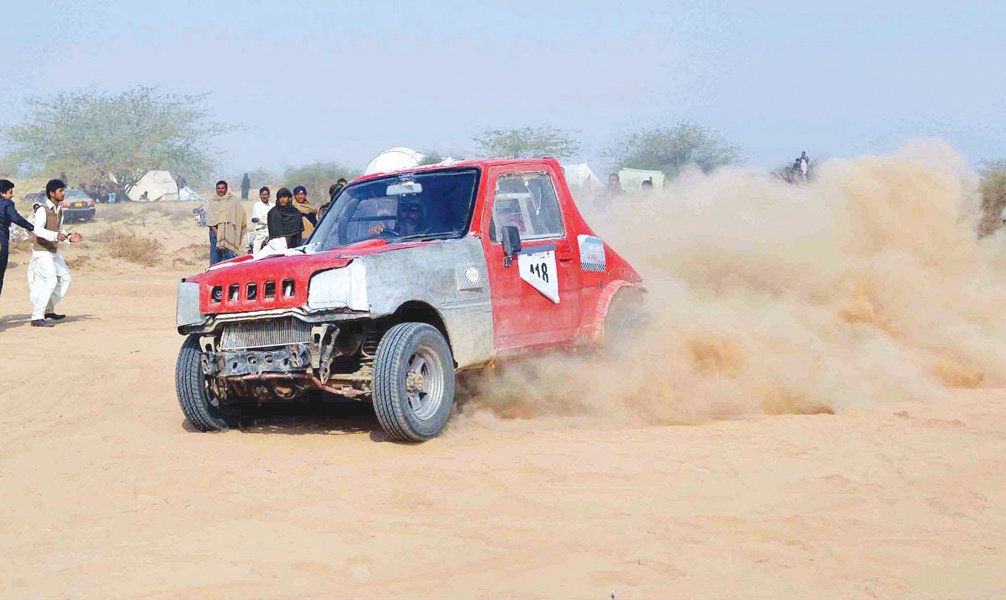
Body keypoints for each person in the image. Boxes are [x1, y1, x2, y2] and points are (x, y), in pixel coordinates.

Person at [28, 179, 82, 328]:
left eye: (63, 190)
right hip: (42, 252)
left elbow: (59, 231)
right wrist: (55, 236)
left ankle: (48, 309)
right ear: (52, 193)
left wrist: (70, 237)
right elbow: (37, 230)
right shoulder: (42, 210)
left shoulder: (60, 210)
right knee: (51, 281)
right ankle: (37, 317)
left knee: (66, 278)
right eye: (61, 191)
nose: (63, 193)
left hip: (52, 251)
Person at [0, 179, 35, 299]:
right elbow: (15, 218)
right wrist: (31, 227)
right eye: (10, 192)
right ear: (2, 193)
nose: (12, 195)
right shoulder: (7, 204)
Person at [206, 180, 248, 265]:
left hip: (230, 234)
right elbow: (210, 220)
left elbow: (240, 215)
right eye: (218, 188)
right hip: (215, 234)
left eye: (222, 188)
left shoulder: (233, 200)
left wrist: (234, 230)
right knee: (215, 260)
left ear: (226, 189)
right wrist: (218, 234)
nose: (220, 190)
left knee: (230, 261)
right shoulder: (213, 201)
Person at [250, 186, 272, 253]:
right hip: (260, 233)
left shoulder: (272, 206)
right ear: (260, 195)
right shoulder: (257, 205)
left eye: (266, 194)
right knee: (256, 252)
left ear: (269, 195)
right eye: (262, 195)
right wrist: (267, 221)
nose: (264, 196)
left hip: (271, 232)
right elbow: (258, 219)